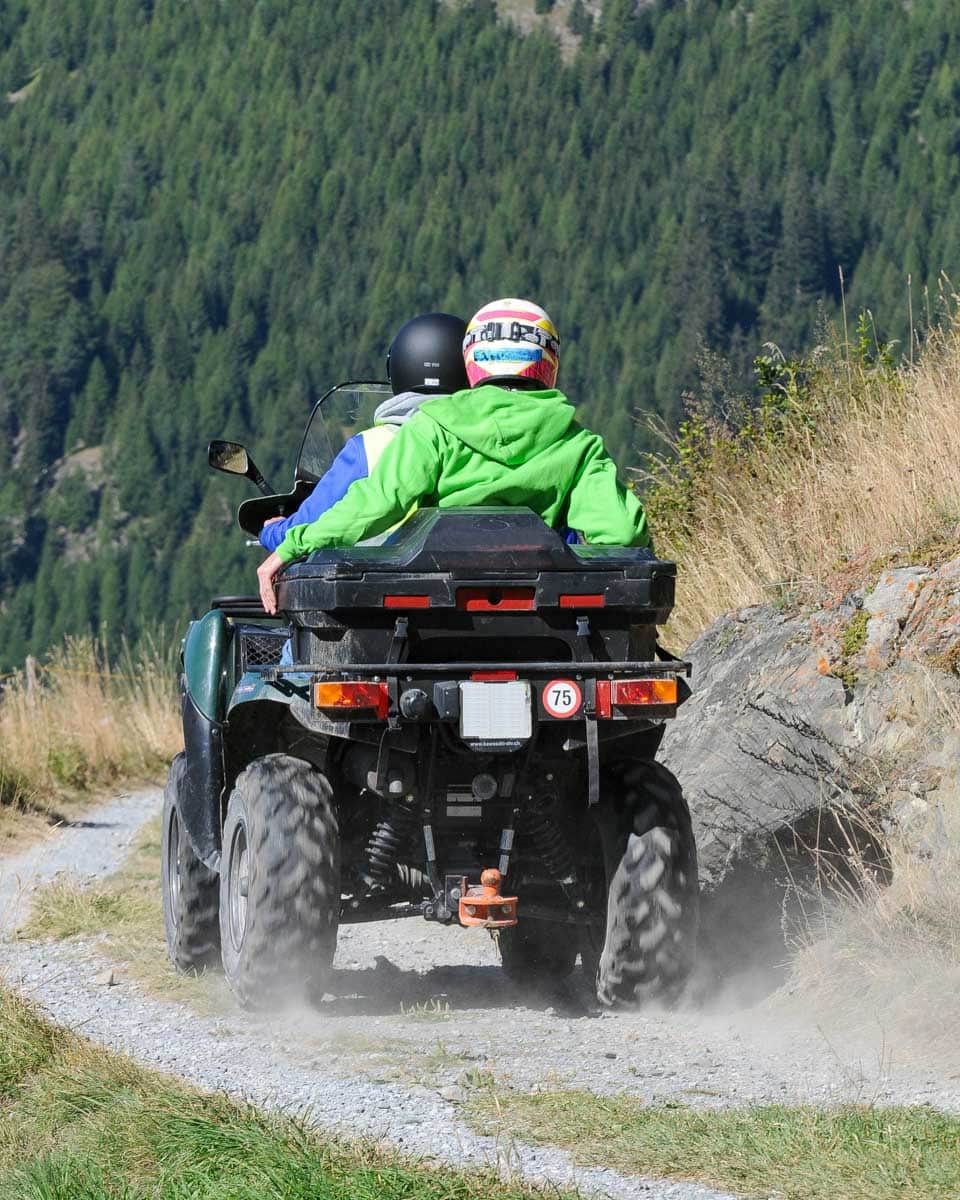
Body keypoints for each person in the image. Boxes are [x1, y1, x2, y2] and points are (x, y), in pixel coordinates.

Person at [257, 298, 651, 613]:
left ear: (472, 362)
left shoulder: (434, 427)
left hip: (437, 615)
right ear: (549, 364)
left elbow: (372, 505)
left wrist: (291, 546)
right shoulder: (578, 443)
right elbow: (623, 534)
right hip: (540, 616)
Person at [258, 312, 469, 553]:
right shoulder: (483, 440)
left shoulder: (369, 448)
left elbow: (312, 524)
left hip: (384, 585)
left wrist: (272, 531)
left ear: (398, 368)